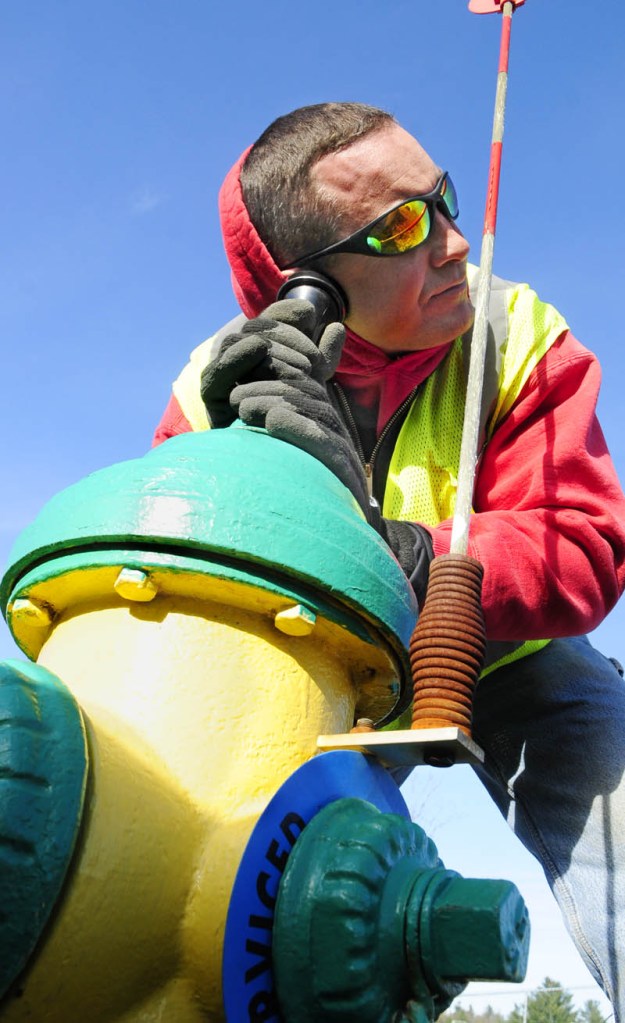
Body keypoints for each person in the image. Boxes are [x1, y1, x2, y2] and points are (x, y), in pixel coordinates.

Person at [153, 103, 625, 1015]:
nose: (452, 244)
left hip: (507, 653)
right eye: (402, 227)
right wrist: (218, 468)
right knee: (194, 883)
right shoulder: (213, 383)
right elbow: (176, 596)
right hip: (318, 659)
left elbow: (585, 546)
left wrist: (400, 551)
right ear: (307, 284)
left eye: (441, 198)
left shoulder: (515, 327)